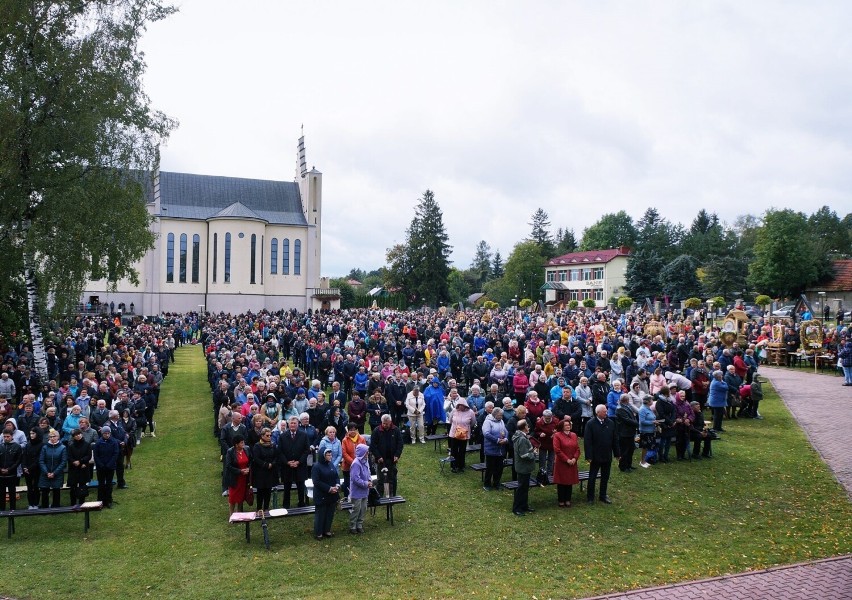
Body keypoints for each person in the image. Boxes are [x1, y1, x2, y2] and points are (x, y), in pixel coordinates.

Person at [583, 405, 619, 504]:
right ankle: (590, 497)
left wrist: (617, 453)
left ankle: (603, 495)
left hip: (607, 454)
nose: (606, 413)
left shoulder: (610, 423)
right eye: (604, 412)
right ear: (598, 413)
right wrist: (589, 456)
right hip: (595, 456)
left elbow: (614, 439)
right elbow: (587, 441)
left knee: (605, 476)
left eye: (606, 411)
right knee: (592, 477)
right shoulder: (590, 424)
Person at [278, 417, 311, 508]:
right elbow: (280, 451)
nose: (293, 425)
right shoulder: (283, 436)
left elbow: (306, 450)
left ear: (298, 424)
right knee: (287, 487)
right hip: (287, 466)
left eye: (294, 423)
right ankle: (286, 505)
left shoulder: (303, 435)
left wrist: (299, 462)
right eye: (291, 423)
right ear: (288, 424)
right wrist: (287, 462)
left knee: (300, 486)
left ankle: (301, 503)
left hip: (300, 465)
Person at [370, 414, 403, 496]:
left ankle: (392, 495)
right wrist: (378, 456)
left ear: (390, 422)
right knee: (380, 479)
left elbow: (400, 444)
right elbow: (373, 446)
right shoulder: (376, 431)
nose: (385, 425)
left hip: (392, 459)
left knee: (392, 478)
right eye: (383, 423)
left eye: (386, 423)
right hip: (381, 460)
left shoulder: (396, 430)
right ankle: (379, 495)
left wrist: (397, 455)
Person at [311, 448, 340, 540]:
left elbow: (336, 476)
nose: (330, 457)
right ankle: (318, 533)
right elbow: (316, 481)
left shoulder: (331, 464)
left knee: (330, 513)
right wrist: (329, 488)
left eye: (331, 455)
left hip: (332, 494)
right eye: (328, 455)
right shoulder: (316, 467)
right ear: (323, 456)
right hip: (321, 494)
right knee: (321, 514)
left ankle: (327, 530)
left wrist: (337, 485)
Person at [511, 419, 537, 516]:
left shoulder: (522, 437)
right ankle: (517, 508)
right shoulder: (521, 439)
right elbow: (524, 455)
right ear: (525, 427)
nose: (529, 427)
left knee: (525, 488)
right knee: (521, 488)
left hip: (525, 467)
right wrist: (533, 454)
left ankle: (524, 505)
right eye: (527, 426)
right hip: (523, 467)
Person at [552, 417, 580, 507]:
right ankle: (561, 500)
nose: (568, 426)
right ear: (562, 427)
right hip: (562, 463)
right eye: (566, 425)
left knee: (570, 481)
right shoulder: (557, 435)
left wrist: (574, 459)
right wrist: (567, 460)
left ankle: (568, 499)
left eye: (569, 425)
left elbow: (577, 449)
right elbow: (557, 450)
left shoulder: (574, 435)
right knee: (561, 482)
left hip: (572, 462)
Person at [250, 427, 278, 516]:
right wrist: (266, 464)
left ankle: (266, 508)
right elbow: (256, 458)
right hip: (260, 472)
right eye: (267, 435)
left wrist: (272, 464)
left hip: (270, 471)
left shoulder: (273, 445)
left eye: (270, 435)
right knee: (260, 491)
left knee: (268, 490)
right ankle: (259, 508)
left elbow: (276, 456)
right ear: (262, 436)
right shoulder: (257, 446)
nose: (269, 437)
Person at [38, 429, 67, 508]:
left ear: (58, 437)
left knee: (56, 490)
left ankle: (56, 506)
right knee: (44, 490)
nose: (52, 438)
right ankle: (44, 507)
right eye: (50, 437)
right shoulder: (45, 447)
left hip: (57, 473)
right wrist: (47, 472)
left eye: (54, 436)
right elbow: (41, 461)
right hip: (45, 473)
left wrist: (54, 473)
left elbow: (63, 462)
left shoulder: (62, 448)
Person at [348, 443, 372, 535]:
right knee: (356, 509)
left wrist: (369, 480)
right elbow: (355, 479)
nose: (368, 453)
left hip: (365, 490)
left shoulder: (366, 461)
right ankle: (353, 526)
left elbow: (368, 472)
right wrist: (366, 483)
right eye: (366, 452)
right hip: (357, 492)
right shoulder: (356, 463)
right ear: (362, 452)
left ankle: (360, 525)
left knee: (363, 509)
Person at [448, 395, 476, 473]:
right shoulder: (454, 411)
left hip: (464, 434)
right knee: (454, 450)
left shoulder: (470, 412)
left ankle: (461, 465)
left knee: (462, 450)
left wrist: (466, 428)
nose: (461, 407)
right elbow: (450, 420)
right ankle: (453, 466)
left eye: (462, 406)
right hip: (454, 434)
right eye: (459, 406)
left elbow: (473, 422)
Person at [94, 425, 120, 508]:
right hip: (100, 467)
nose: (107, 435)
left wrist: (109, 464)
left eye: (108, 433)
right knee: (101, 484)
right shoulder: (98, 442)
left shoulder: (114, 442)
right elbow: (96, 455)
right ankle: (100, 501)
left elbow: (115, 454)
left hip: (110, 467)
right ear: (102, 434)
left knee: (109, 484)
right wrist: (101, 464)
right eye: (105, 433)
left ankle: (108, 500)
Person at [224, 434, 251, 515]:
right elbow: (228, 465)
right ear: (236, 444)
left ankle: (239, 513)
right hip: (234, 478)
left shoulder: (247, 449)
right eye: (241, 443)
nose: (243, 444)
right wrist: (240, 471)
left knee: (241, 496)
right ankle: (231, 514)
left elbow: (250, 461)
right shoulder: (230, 452)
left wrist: (248, 468)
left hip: (244, 478)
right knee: (232, 497)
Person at [66, 429, 92, 508]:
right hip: (74, 468)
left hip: (83, 467)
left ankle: (82, 502)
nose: (78, 436)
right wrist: (74, 462)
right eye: (76, 435)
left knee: (82, 486)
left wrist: (81, 461)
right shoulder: (71, 446)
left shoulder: (87, 445)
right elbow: (69, 457)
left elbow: (88, 455)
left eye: (79, 434)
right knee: (73, 487)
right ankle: (73, 503)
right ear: (73, 437)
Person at [341, 423, 366, 496]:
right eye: (351, 430)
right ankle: (347, 498)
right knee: (348, 483)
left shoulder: (362, 439)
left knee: (359, 481)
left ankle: (359, 496)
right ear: (348, 431)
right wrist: (353, 462)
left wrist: (358, 463)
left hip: (361, 465)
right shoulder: (344, 440)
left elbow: (365, 451)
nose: (353, 431)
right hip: (348, 466)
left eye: (354, 429)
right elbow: (344, 453)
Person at [614, 394, 638, 472]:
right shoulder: (620, 408)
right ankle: (623, 467)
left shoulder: (626, 406)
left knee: (631, 449)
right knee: (624, 451)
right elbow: (627, 420)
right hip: (624, 433)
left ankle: (629, 465)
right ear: (626, 400)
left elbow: (632, 416)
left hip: (629, 432)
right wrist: (637, 423)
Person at [0, 429, 22, 511]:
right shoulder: (0, 446)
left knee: (12, 492)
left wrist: (9, 469)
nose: (6, 438)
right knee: (1, 492)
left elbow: (18, 460)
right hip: (1, 474)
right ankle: (2, 509)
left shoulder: (17, 446)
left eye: (8, 436)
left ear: (12, 436)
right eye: (4, 436)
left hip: (12, 474)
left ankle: (13, 509)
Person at [533, 409, 559, 476]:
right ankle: (542, 473)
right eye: (546, 418)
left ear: (551, 416)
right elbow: (536, 432)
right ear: (543, 416)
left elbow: (559, 430)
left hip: (552, 443)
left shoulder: (556, 421)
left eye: (549, 418)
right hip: (543, 443)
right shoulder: (539, 422)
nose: (547, 420)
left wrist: (555, 434)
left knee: (551, 459)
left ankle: (550, 473)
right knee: (542, 460)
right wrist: (540, 433)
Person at [21, 427, 42, 509]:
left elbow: (39, 459)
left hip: (36, 469)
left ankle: (36, 503)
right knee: (29, 487)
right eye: (30, 434)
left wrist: (29, 468)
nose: (31, 435)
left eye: (33, 433)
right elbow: (24, 456)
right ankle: (30, 503)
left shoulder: (41, 444)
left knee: (36, 486)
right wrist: (24, 467)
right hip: (27, 470)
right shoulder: (28, 444)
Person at [638, 397, 658, 468]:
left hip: (650, 430)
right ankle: (642, 461)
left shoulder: (648, 408)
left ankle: (644, 461)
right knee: (645, 446)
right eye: (651, 400)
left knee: (647, 447)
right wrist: (652, 422)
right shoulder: (642, 409)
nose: (653, 401)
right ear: (648, 401)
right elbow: (642, 421)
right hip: (645, 431)